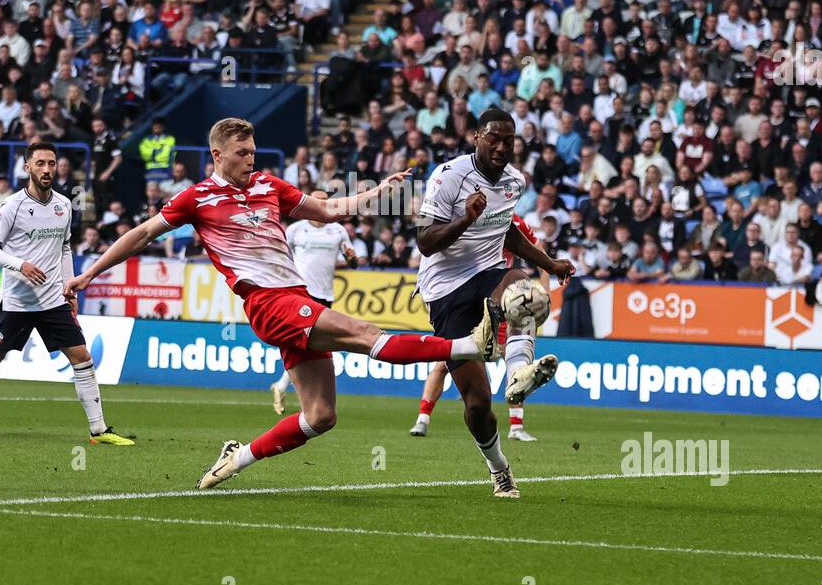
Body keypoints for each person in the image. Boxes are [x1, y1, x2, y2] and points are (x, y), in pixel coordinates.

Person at [65, 118, 501, 490]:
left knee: (321, 416)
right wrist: (88, 274)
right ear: (218, 154)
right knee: (366, 334)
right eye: (241, 153)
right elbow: (141, 234)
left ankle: (237, 458)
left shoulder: (268, 185)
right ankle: (470, 345)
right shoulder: (196, 197)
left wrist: (377, 193)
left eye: (253, 151)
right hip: (268, 304)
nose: (250, 158)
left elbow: (328, 210)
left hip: (297, 298)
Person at [412, 108, 576, 497]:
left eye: (509, 140)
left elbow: (509, 236)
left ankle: (518, 374)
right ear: (477, 138)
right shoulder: (448, 176)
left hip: (487, 275)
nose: (502, 147)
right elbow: (425, 241)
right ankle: (499, 467)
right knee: (478, 403)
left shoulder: (515, 182)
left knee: (525, 288)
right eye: (494, 138)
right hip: (445, 290)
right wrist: (465, 220)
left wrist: (549, 263)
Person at [0, 142, 134, 445]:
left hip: (53, 298)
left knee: (82, 356)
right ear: (28, 167)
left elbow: (64, 247)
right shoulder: (11, 206)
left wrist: (70, 287)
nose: (47, 170)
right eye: (40, 163)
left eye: (51, 163)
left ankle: (99, 430)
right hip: (17, 300)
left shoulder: (64, 205)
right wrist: (20, 265)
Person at [409, 214, 545, 442]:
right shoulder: (462, 216)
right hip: (466, 296)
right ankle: (422, 419)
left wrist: (547, 280)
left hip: (498, 296)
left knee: (512, 358)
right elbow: (434, 247)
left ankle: (516, 426)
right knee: (444, 362)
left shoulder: (514, 222)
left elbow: (537, 247)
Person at [270, 190, 359, 415]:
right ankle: (305, 396)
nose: (320, 204)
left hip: (325, 294)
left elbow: (353, 262)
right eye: (316, 200)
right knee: (308, 343)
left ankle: (283, 386)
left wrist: (351, 257)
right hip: (300, 292)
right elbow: (281, 256)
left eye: (324, 200)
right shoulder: (296, 229)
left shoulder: (337, 230)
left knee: (311, 345)